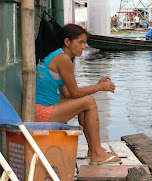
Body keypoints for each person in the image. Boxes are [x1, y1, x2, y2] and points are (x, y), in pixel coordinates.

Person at [35, 24, 121, 165]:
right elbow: (75, 93)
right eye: (79, 42)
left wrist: (97, 86)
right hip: (42, 113)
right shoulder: (63, 59)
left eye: (84, 43)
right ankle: (97, 152)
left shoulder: (58, 56)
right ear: (67, 42)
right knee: (89, 101)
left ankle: (93, 150)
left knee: (85, 103)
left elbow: (68, 94)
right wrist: (99, 86)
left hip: (41, 110)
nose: (83, 47)